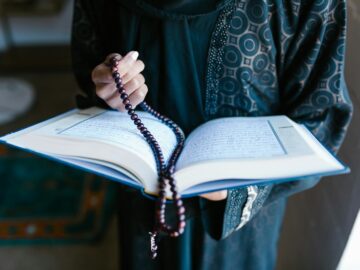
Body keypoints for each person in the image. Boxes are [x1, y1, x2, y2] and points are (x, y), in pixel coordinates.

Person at [71, 0, 353, 269]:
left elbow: (320, 118)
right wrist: (110, 85)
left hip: (239, 227)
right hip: (142, 193)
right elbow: (90, 63)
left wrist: (240, 188)